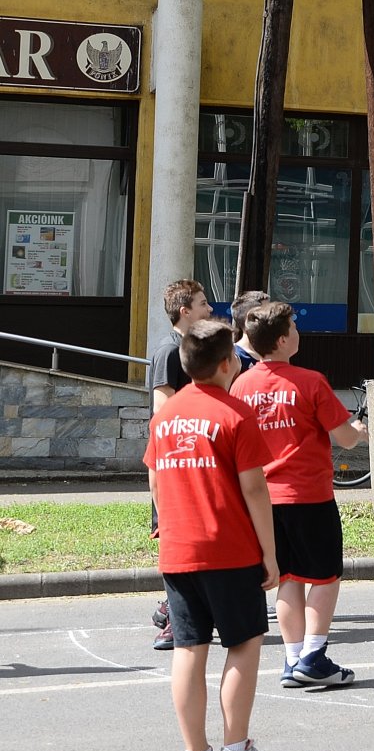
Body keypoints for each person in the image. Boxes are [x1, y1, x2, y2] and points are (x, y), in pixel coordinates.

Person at [146, 318, 286, 751]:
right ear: (228, 364)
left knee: (188, 648)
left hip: (178, 548)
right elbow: (255, 490)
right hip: (229, 548)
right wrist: (270, 553)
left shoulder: (165, 416)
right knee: (244, 643)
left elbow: (155, 480)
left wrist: (170, 524)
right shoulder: (234, 414)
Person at [229, 301, 367, 689]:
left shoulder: (241, 385)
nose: (298, 332)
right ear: (283, 339)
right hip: (308, 495)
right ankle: (314, 656)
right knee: (325, 577)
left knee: (288, 577)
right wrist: (359, 432)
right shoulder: (310, 381)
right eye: (294, 327)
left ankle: (293, 660)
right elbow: (345, 438)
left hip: (263, 498)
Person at [148, 277, 213, 652]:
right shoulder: (169, 351)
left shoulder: (190, 349)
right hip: (175, 462)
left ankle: (169, 607)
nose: (209, 309)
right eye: (203, 304)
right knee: (176, 537)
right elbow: (163, 409)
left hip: (192, 459)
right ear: (185, 311)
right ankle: (175, 620)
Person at [230, 290, 270, 371]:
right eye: (268, 313)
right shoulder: (234, 357)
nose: (273, 317)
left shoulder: (275, 355)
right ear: (251, 319)